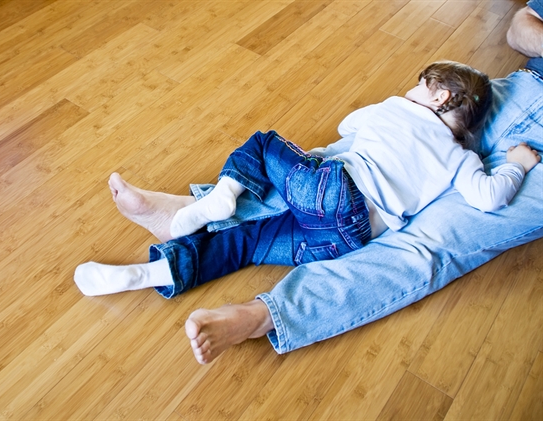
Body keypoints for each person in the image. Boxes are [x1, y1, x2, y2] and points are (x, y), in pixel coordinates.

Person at [78, 2, 543, 364]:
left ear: (438, 97)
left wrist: (387, 113)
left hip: (336, 192)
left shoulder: (399, 109)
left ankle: (215, 203)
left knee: (266, 146)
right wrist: (516, 166)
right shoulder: (461, 159)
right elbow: (488, 196)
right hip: (346, 237)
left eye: (419, 86)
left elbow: (348, 126)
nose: (411, 91)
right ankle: (153, 268)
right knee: (254, 241)